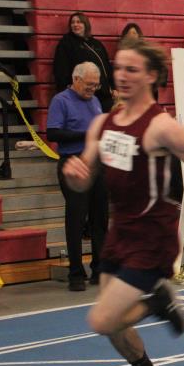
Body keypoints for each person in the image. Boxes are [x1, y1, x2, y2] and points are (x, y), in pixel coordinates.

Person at [61, 37, 184, 366]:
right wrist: (74, 175)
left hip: (152, 236)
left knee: (103, 320)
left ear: (151, 76)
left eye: (131, 69)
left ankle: (157, 304)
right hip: (120, 231)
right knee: (115, 323)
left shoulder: (160, 127)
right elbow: (85, 178)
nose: (121, 75)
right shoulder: (102, 124)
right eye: (118, 68)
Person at [47, 62, 108, 291]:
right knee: (76, 220)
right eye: (89, 84)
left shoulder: (95, 101)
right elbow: (53, 133)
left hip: (96, 164)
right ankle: (76, 273)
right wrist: (87, 134)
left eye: (96, 85)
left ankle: (99, 269)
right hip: (72, 163)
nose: (93, 89)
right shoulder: (60, 101)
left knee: (100, 219)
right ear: (76, 79)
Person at [53, 11, 115, 113]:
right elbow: (60, 69)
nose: (75, 25)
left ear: (85, 24)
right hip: (82, 94)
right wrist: (67, 89)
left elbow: (107, 66)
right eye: (73, 22)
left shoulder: (97, 44)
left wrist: (113, 87)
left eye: (79, 22)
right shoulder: (66, 43)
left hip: (103, 94)